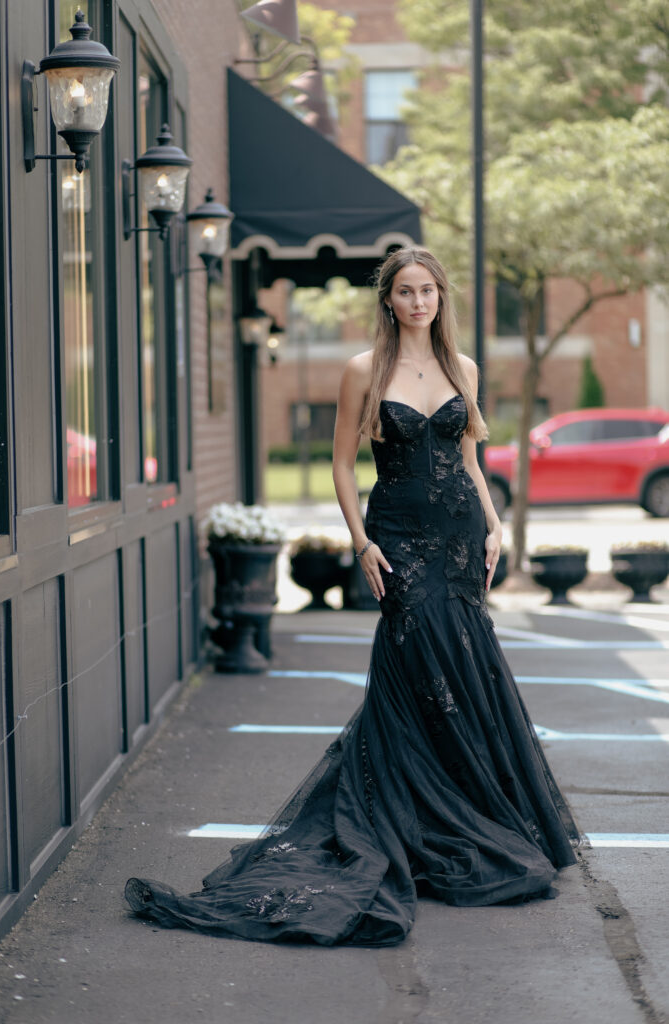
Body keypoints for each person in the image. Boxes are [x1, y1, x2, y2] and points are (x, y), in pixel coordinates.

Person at [125, 247, 578, 946]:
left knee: (461, 668)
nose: (419, 301)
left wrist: (492, 529)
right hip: (396, 536)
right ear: (388, 301)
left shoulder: (465, 369)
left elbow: (468, 459)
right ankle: (405, 813)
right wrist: (361, 542)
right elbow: (341, 461)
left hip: (459, 539)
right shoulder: (364, 371)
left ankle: (456, 810)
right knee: (415, 669)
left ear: (439, 297)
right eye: (405, 291)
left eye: (428, 290)